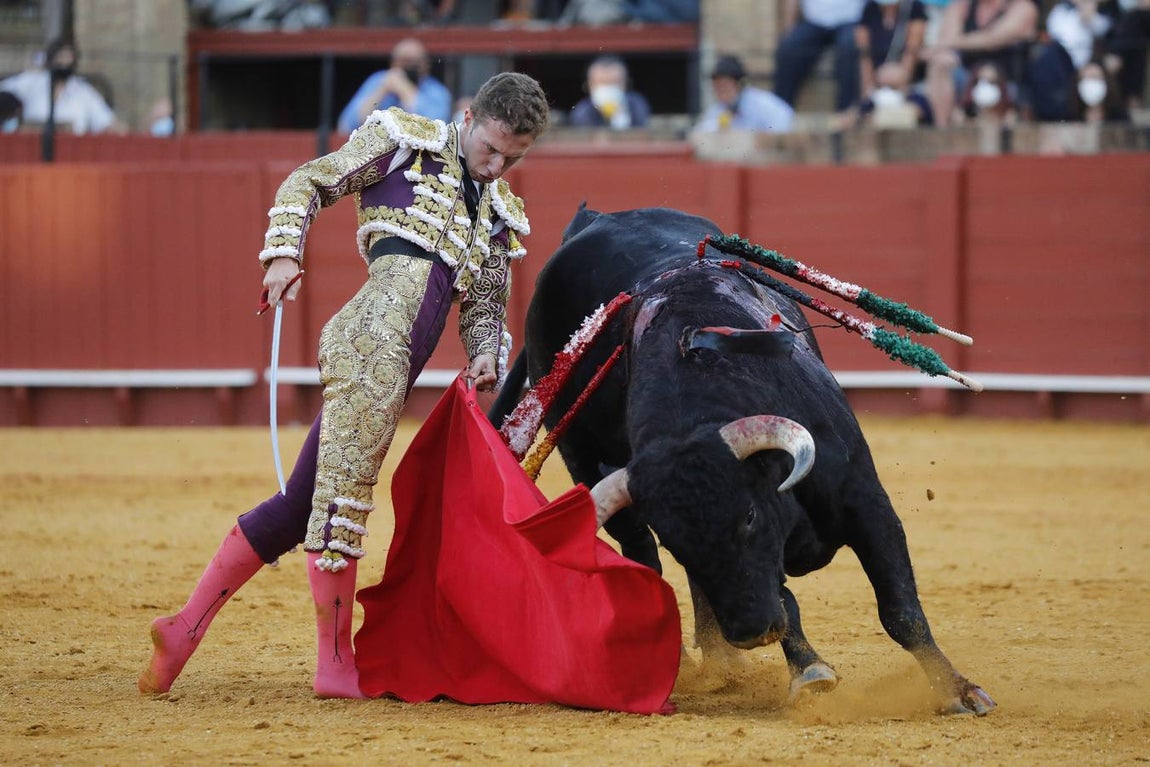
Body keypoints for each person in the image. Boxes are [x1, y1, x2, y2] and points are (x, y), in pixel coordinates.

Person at [139, 71, 551, 699]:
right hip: (369, 344)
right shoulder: (401, 141)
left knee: (301, 502)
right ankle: (334, 665)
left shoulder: (498, 210)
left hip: (398, 361)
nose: (497, 167)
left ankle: (185, 628)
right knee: (341, 502)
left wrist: (485, 355)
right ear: (468, 118)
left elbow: (487, 304)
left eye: (512, 158)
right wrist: (283, 252)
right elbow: (310, 180)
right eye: (491, 149)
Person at [920, 0, 1038, 126]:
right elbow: (947, 37)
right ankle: (942, 129)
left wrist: (948, 43)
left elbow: (993, 39)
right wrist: (944, 50)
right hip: (966, 77)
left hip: (1007, 82)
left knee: (988, 74)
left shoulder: (1023, 7)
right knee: (941, 62)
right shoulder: (962, 6)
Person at [0, 39, 124, 135]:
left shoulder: (83, 91)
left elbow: (106, 122)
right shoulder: (30, 81)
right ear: (51, 59)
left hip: (72, 152)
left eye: (68, 59)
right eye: (60, 58)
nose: (64, 63)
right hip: (32, 149)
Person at [336, 37, 452, 134]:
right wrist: (381, 90)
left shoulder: (437, 91)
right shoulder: (378, 80)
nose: (409, 67)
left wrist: (404, 89)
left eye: (414, 62)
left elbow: (432, 129)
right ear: (393, 63)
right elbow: (346, 125)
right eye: (404, 61)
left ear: (426, 65)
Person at [1027, 0, 1119, 122]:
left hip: (1094, 60)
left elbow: (1109, 31)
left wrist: (1090, 17)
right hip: (1064, 67)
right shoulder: (1060, 11)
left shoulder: (1107, 8)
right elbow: (1056, 37)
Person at [774, 0, 867, 113]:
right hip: (814, 21)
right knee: (789, 48)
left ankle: (846, 114)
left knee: (849, 48)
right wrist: (789, 27)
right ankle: (779, 113)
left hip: (852, 20)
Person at [855, 0, 935, 125]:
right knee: (863, 113)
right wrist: (871, 85)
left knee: (918, 108)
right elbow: (864, 55)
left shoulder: (913, 8)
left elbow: (912, 51)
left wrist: (898, 78)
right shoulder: (870, 9)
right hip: (878, 84)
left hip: (907, 85)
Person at [695, 54, 795, 132]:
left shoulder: (764, 105)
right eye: (716, 87)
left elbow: (783, 125)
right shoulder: (717, 110)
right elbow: (702, 132)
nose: (719, 92)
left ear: (738, 84)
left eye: (724, 86)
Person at [568, 55, 651, 129]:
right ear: (590, 85)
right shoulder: (582, 111)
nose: (608, 88)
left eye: (614, 82)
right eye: (602, 82)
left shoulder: (637, 104)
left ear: (626, 83)